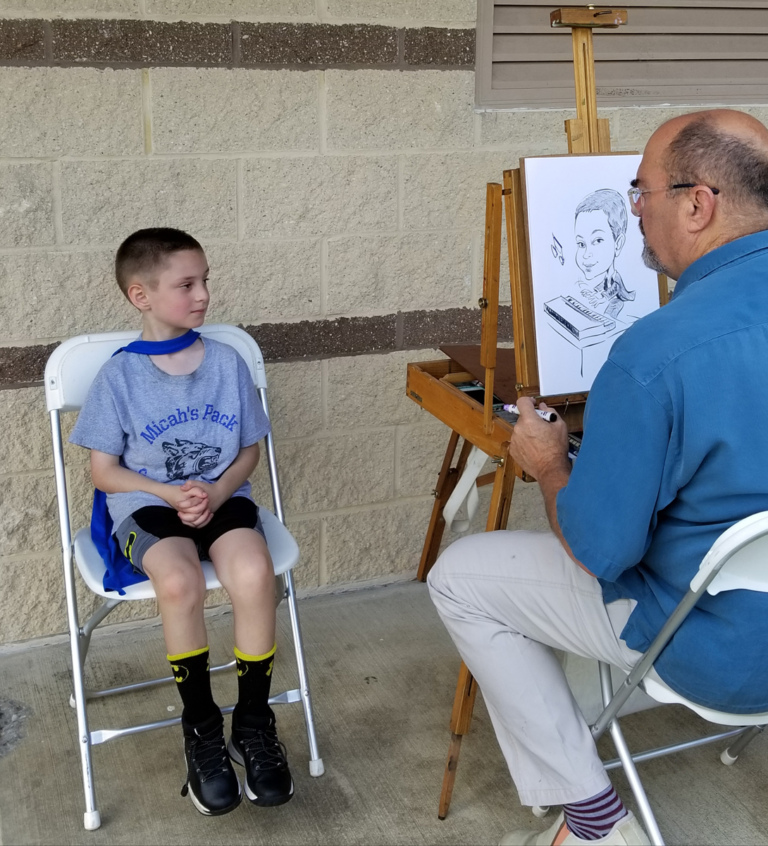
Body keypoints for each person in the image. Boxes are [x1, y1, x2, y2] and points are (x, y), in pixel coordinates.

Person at [428, 108, 768, 846]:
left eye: (639, 191)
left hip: (725, 655)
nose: (634, 208)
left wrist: (551, 466)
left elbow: (600, 552)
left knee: (461, 577)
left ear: (698, 203)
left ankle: (592, 822)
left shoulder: (656, 352)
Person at [69, 228, 294, 816]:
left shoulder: (226, 362)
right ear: (140, 295)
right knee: (178, 582)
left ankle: (252, 720)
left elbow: (248, 449)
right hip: (147, 507)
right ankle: (201, 730)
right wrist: (165, 492)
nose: (202, 296)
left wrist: (217, 490)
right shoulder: (118, 378)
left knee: (252, 571)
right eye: (186, 284)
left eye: (205, 281)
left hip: (221, 499)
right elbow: (104, 472)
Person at [573, 188, 635, 319]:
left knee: (608, 319)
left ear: (618, 244)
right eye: (581, 244)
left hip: (617, 302)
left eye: (597, 240)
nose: (586, 254)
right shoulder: (595, 280)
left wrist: (600, 299)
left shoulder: (614, 278)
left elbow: (613, 290)